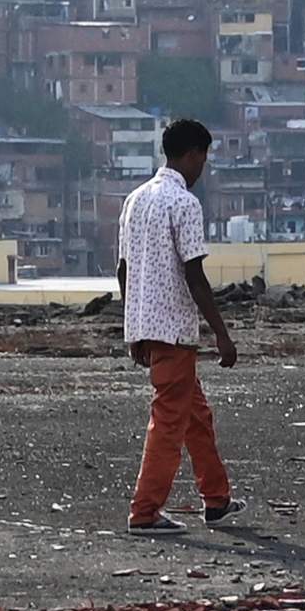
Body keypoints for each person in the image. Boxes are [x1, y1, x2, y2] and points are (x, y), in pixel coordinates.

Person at [116, 114, 240, 534]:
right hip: (174, 329)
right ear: (191, 155)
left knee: (194, 414)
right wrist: (222, 333)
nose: (203, 168)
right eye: (203, 158)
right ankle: (145, 511)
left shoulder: (134, 200)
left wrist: (132, 327)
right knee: (170, 421)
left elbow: (123, 270)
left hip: (149, 326)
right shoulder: (184, 203)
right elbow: (195, 275)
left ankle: (216, 499)